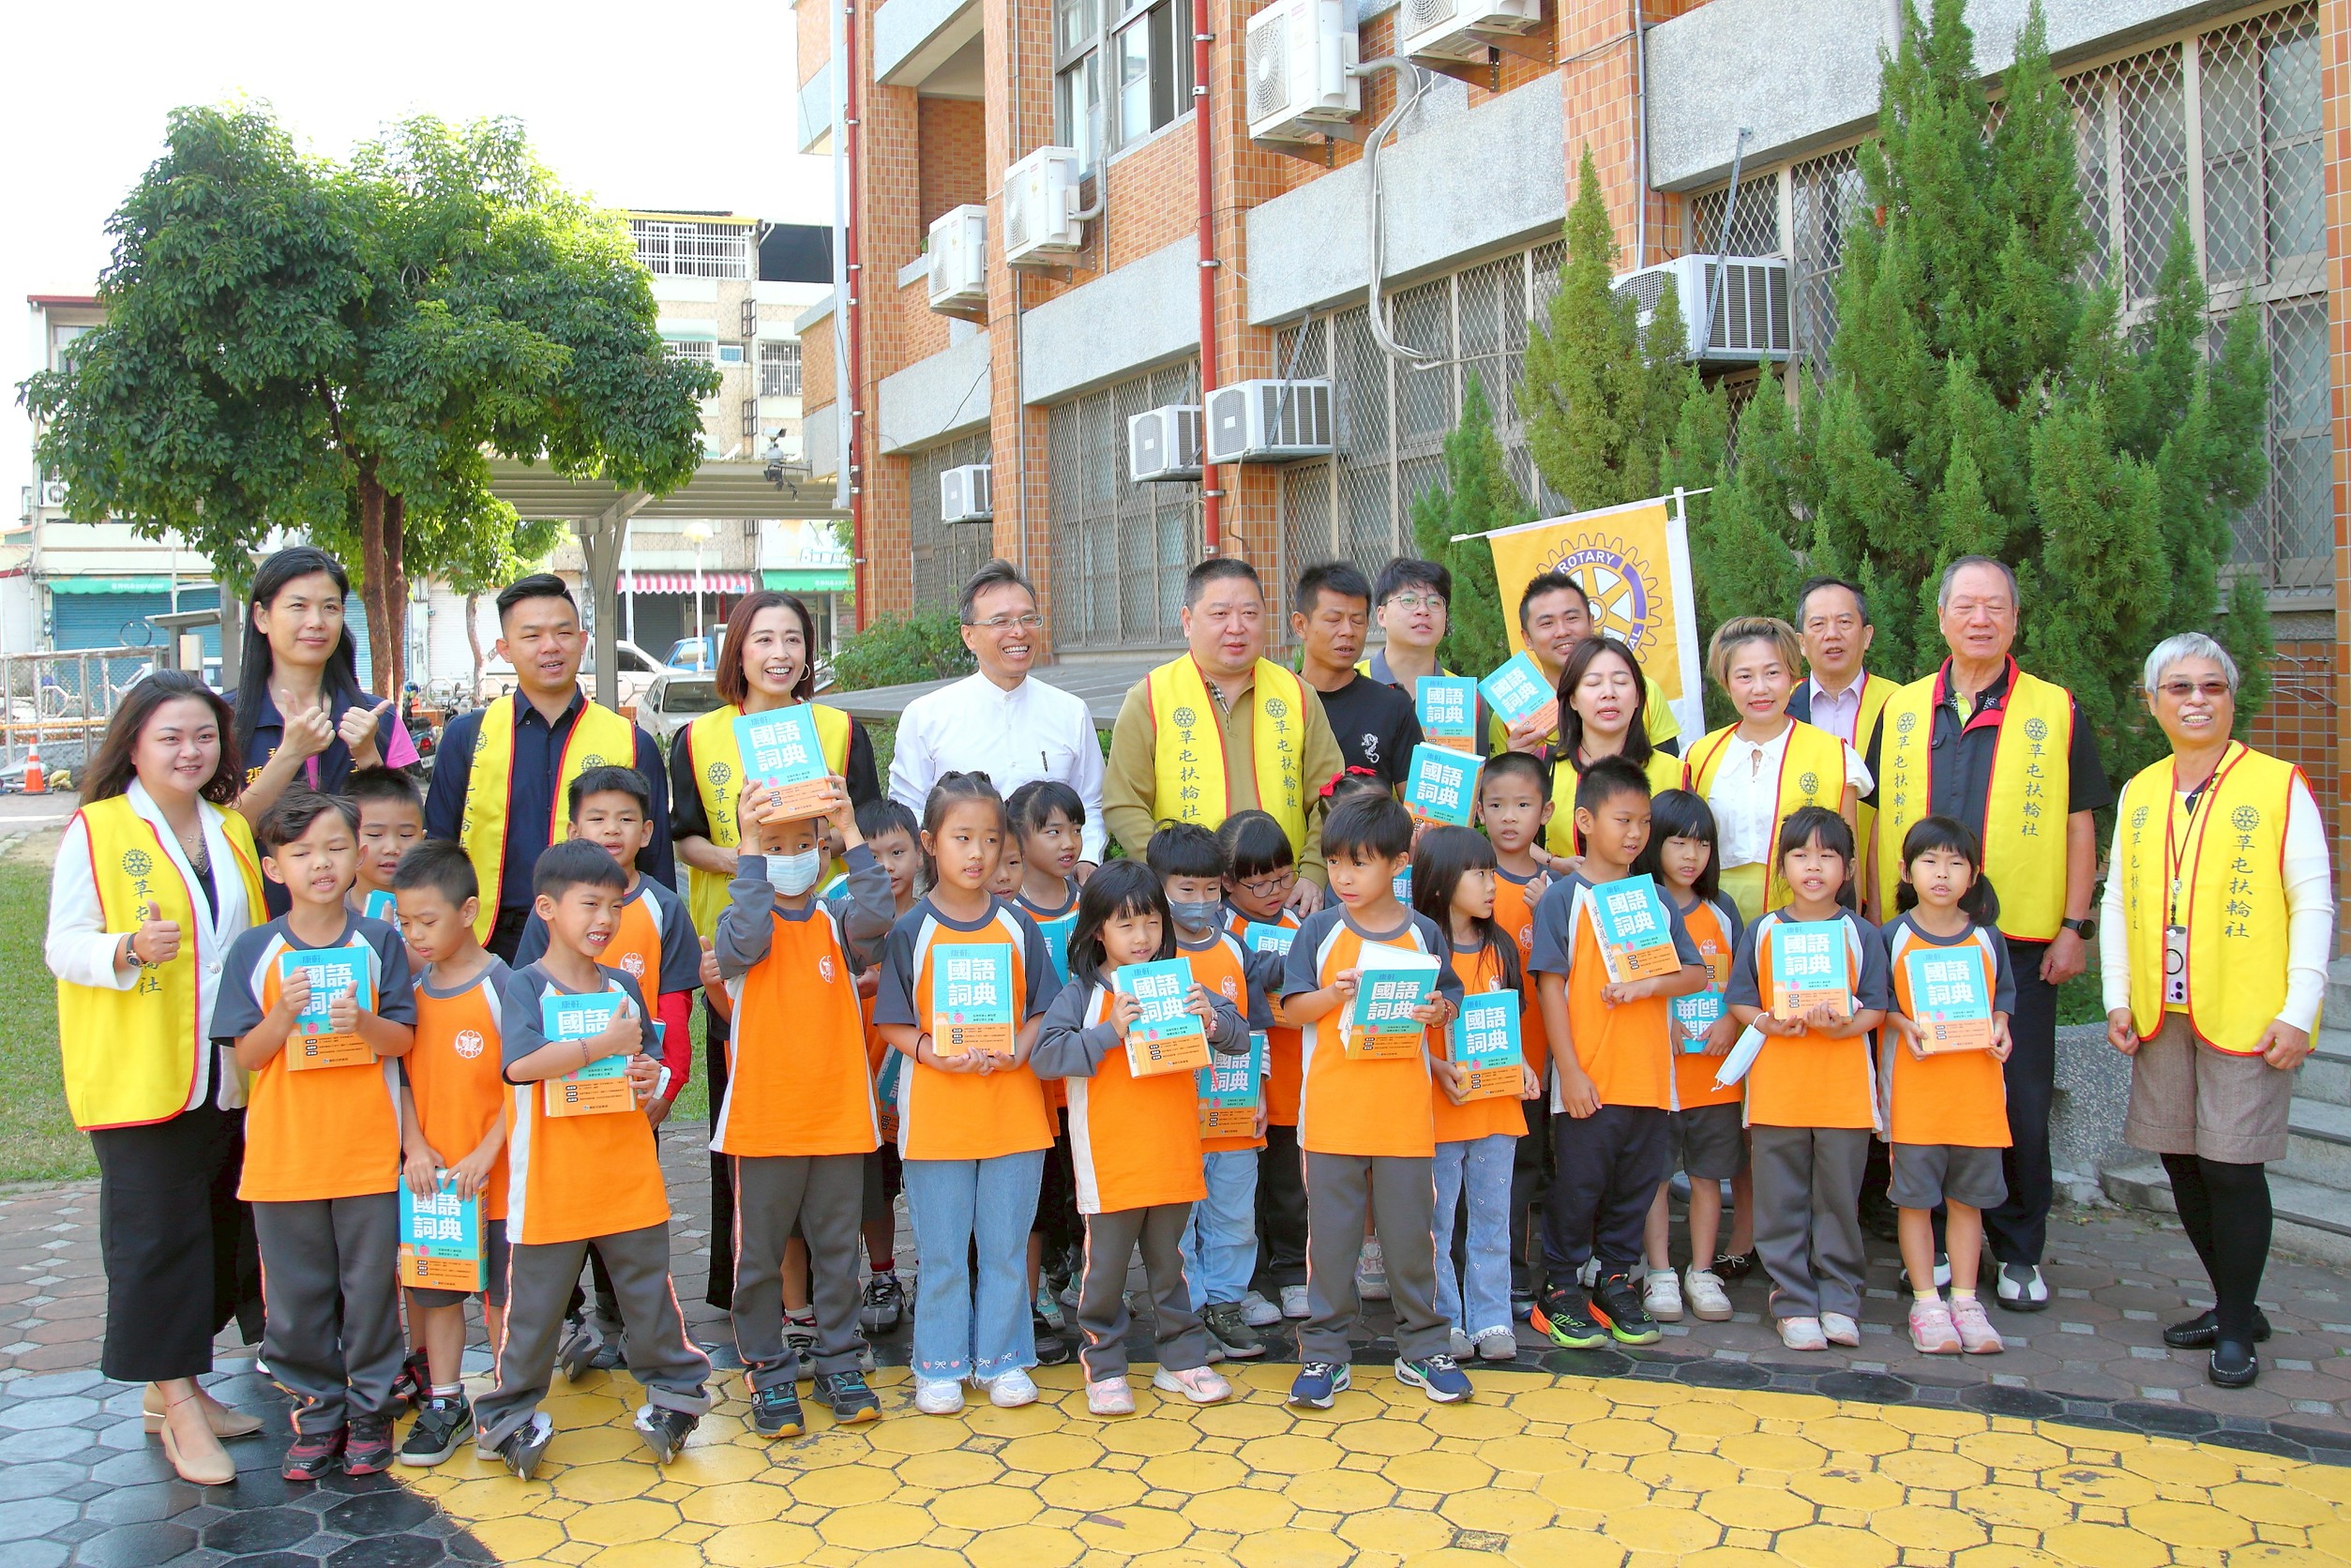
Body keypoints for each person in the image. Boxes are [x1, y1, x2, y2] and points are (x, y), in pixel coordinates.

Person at [1863, 556, 2109, 1312]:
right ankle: (1936, 1246)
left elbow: (2078, 824)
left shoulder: (2054, 709)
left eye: (1994, 606)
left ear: (2013, 619)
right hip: (1915, 946)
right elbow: (1871, 824)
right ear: (1940, 617)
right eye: (1965, 605)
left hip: (2016, 946)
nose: (1980, 619)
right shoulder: (1901, 709)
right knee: (1926, 1097)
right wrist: (1872, 931)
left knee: (2017, 1100)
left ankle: (2019, 1249)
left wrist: (2073, 926)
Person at [46, 672, 269, 1486]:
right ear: (134, 745)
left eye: (204, 736)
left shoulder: (229, 829)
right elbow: (62, 944)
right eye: (170, 737)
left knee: (213, 1234)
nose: (189, 751)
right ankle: (178, 1408)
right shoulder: (98, 829)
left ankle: (178, 1390)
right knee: (155, 1242)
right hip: (140, 1075)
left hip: (223, 1075)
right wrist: (127, 950)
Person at [2101, 633, 2333, 1388]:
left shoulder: (2276, 785)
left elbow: (2312, 902)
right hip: (2160, 1010)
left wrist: (2299, 1008)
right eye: (2178, 688)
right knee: (2179, 1158)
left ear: (2231, 698)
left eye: (2211, 686)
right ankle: (2235, 1301)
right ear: (2152, 704)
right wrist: (2115, 995)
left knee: (2232, 1166)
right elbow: (2117, 899)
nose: (2195, 700)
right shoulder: (2141, 791)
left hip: (2245, 1009)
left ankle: (2235, 1326)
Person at [473, 841, 712, 1479]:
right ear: (547, 908)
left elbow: (649, 1059)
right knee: (533, 1311)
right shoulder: (523, 985)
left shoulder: (624, 986)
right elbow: (520, 1066)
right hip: (550, 1185)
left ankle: (676, 1395)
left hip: (626, 1177)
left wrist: (647, 1074)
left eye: (614, 906)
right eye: (589, 905)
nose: (604, 919)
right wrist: (599, 1044)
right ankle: (508, 1415)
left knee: (649, 1299)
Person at [214, 791, 418, 1481]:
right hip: (285, 1157)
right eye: (301, 853)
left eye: (335, 848)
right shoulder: (257, 948)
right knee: (297, 1298)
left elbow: (402, 1040)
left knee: (370, 1291)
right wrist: (281, 1015)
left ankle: (371, 1410)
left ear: (357, 855)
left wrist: (362, 1024)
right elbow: (247, 1055)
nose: (321, 864)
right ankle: (317, 1411)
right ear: (275, 869)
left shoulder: (379, 941)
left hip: (366, 1152)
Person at [871, 773, 1062, 1415]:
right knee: (945, 1253)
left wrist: (1020, 1049)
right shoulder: (912, 930)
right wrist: (933, 1054)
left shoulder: (1016, 925)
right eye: (961, 838)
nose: (977, 853)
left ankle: (1004, 1360)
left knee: (1006, 1249)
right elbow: (893, 1021)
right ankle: (939, 1364)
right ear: (930, 843)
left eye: (990, 838)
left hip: (1013, 1115)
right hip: (937, 1120)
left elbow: (1043, 1007)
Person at [1277, 792, 1470, 1407]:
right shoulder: (1318, 929)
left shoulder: (1423, 931)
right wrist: (1333, 994)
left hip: (1404, 1117)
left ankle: (1423, 1348)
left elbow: (1448, 999)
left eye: (1358, 863)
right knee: (1331, 1244)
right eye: (1335, 862)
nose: (1343, 877)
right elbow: (1291, 1010)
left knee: (1411, 1240)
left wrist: (1438, 1010)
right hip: (1331, 1115)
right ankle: (1324, 1353)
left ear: (1397, 863)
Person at [713, 777, 893, 1433]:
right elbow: (744, 940)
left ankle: (839, 1360)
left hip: (838, 1120)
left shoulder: (836, 921)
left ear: (822, 852)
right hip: (764, 1126)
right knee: (760, 1258)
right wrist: (747, 850)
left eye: (803, 845)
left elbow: (877, 918)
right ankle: (767, 1369)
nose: (790, 857)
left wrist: (850, 833)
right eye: (773, 845)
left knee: (837, 1252)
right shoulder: (743, 923)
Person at [1032, 861, 1243, 1414]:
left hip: (1173, 1154)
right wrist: (1109, 1032)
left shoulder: (1179, 984)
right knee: (1104, 1270)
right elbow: (1046, 1057)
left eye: (1150, 921)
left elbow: (1240, 1036)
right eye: (1125, 924)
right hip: (1110, 1161)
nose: (1142, 936)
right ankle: (1103, 1366)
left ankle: (1183, 1360)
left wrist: (1213, 1021)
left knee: (1171, 1265)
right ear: (1097, 930)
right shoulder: (1082, 995)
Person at [1525, 759, 1708, 1351]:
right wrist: (1570, 1072)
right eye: (1622, 820)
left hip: (1649, 1077)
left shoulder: (1654, 898)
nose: (1635, 834)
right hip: (1589, 1079)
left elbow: (1696, 974)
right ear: (1584, 821)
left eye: (1644, 822)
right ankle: (1558, 1288)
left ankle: (1614, 1281)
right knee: (1579, 1187)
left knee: (1636, 1186)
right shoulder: (1564, 899)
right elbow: (1550, 988)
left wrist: (1649, 986)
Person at [424, 574, 674, 960]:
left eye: (563, 633)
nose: (551, 647)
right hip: (488, 944)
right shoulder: (468, 737)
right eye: (532, 636)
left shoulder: (630, 743)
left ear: (583, 641)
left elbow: (655, 864)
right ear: (505, 649)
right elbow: (438, 850)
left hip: (600, 942)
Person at [1725, 807, 1893, 1352]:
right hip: (1778, 1091)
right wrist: (1767, 1022)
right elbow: (1741, 999)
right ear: (1783, 867)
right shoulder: (1764, 930)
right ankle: (1793, 1299)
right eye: (1800, 855)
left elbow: (1876, 1007)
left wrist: (1845, 1027)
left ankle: (1840, 1297)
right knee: (1781, 1198)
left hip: (1844, 1092)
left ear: (1848, 869)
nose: (1813, 867)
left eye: (1827, 856)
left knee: (1837, 1198)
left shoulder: (1860, 933)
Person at [1104, 557, 1339, 913]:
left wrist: (1313, 872)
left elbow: (1331, 794)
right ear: (1188, 621)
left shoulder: (1297, 693)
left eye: (1249, 613)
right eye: (1220, 614)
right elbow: (1124, 801)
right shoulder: (1151, 696)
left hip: (1283, 896)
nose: (1236, 627)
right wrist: (1175, 877)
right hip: (1189, 904)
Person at [386, 842, 511, 1467]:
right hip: (434, 1189)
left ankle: (510, 1401)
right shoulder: (409, 993)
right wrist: (414, 1146)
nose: (415, 934)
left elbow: (526, 1083)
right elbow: (402, 1079)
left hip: (499, 1183)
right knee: (435, 1295)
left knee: (502, 1298)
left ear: (468, 911)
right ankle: (445, 1401)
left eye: (427, 921)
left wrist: (487, 1153)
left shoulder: (505, 986)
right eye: (405, 922)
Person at [1881, 816, 2014, 1358]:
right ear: (1906, 870)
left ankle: (1965, 1300)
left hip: (1976, 1097)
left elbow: (2002, 1002)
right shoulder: (1891, 936)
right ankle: (1926, 1304)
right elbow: (1877, 1004)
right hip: (1914, 1098)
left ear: (1973, 874)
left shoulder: (1986, 937)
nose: (1942, 874)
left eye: (1956, 864)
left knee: (1967, 1201)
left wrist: (2001, 1028)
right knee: (1914, 1202)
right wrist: (1902, 1024)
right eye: (1930, 862)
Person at [1411, 825, 1539, 1363]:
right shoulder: (1418, 948)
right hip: (1438, 1113)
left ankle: (1490, 1318)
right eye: (1479, 874)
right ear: (1441, 882)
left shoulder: (1500, 947)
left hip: (1496, 1108)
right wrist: (1435, 1067)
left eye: (1492, 873)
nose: (1492, 885)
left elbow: (1508, 1021)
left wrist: (1524, 1065)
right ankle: (1445, 1320)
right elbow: (1400, 1033)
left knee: (1492, 1219)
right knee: (1438, 1223)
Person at [1149, 822, 1275, 1362]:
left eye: (1209, 889)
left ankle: (1226, 1303)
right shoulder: (1151, 956)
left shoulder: (1234, 949)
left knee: (1233, 1215)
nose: (1200, 901)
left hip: (1232, 1110)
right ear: (1158, 888)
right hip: (1172, 1115)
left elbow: (1256, 1027)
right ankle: (1188, 1309)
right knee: (1178, 1219)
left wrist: (1261, 1093)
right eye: (1186, 890)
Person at [889, 560, 1108, 871]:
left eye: (1028, 619)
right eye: (1000, 621)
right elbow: (908, 812)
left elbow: (1090, 803)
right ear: (969, 636)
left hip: (1054, 889)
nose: (1018, 632)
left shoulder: (1070, 712)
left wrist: (1088, 861)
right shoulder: (926, 716)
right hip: (962, 891)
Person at [1632, 790, 1748, 1325]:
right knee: (1655, 1176)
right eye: (1678, 842)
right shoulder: (1641, 907)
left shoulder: (1722, 910)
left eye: (1702, 844)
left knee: (1707, 1176)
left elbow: (1744, 982)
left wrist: (1731, 1020)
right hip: (1656, 1074)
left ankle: (1702, 1270)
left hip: (1714, 1075)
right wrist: (1663, 1019)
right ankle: (1659, 1270)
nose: (1690, 855)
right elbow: (1626, 981)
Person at [1685, 616, 1871, 924]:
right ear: (1726, 684)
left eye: (1772, 673)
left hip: (1804, 919)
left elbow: (1849, 862)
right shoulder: (1699, 756)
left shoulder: (1834, 755)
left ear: (1792, 677)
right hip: (1714, 917)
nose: (1760, 688)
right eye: (1745, 676)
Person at [233, 547, 421, 847]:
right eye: (298, 606)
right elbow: (219, 838)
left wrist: (368, 755)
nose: (316, 622)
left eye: (330, 607)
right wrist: (291, 754)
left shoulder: (379, 717)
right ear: (262, 617)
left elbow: (402, 837)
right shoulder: (223, 721)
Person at [1220, 810, 1310, 1323]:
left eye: (1283, 877)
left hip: (1294, 1086)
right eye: (1260, 884)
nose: (1275, 892)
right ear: (1227, 882)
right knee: (1241, 1196)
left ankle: (1294, 1273)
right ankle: (1248, 1282)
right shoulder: (1221, 931)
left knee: (1291, 1189)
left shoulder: (1302, 924)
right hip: (1236, 1087)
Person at [1475, 751, 1555, 1320]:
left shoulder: (1557, 887)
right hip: (1480, 1052)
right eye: (1497, 805)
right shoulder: (1470, 880)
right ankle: (1474, 1271)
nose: (1510, 817)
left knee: (1526, 1163)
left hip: (1540, 1051)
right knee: (1475, 1164)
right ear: (1479, 811)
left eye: (1523, 805)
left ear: (1545, 812)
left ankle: (1517, 1272)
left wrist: (1550, 909)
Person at [1006, 779, 1088, 1343]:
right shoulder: (1008, 914)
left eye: (1075, 829)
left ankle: (1086, 1272)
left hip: (1085, 1078)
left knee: (1084, 1182)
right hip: (1031, 1083)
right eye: (1052, 831)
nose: (1069, 842)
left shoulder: (1091, 906)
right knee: (1040, 1188)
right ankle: (1034, 1288)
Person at [850, 797, 921, 1335]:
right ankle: (882, 1274)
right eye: (873, 858)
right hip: (865, 1081)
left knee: (927, 1185)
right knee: (873, 1190)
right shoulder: (843, 921)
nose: (888, 867)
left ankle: (936, 1269)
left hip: (925, 1078)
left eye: (898, 853)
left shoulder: (936, 914)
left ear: (921, 851)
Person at [1497, 572, 1681, 759]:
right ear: (1527, 638)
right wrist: (1515, 763)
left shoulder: (1641, 692)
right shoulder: (1508, 717)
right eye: (1547, 623)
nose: (1562, 631)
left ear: (1591, 623)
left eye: (1571, 618)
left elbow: (1668, 770)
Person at [1545, 637, 1686, 860]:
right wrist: (1553, 863)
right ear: (1572, 699)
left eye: (1621, 682)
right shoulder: (1546, 768)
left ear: (1638, 697)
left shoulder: (1675, 772)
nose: (1609, 693)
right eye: (1593, 684)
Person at [1292, 561, 1422, 792]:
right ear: (1301, 625)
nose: (1348, 631)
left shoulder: (1392, 706)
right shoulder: (1280, 702)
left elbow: (1416, 803)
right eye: (1334, 620)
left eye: (1357, 620)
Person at [1787, 577, 1888, 748]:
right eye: (1818, 624)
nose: (1832, 634)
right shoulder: (1781, 706)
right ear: (1802, 643)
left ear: (1866, 636)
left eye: (1844, 622)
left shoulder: (1897, 701)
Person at [349, 766, 426, 921]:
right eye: (375, 834)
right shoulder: (329, 914)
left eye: (406, 835)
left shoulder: (437, 913)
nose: (392, 848)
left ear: (422, 840)